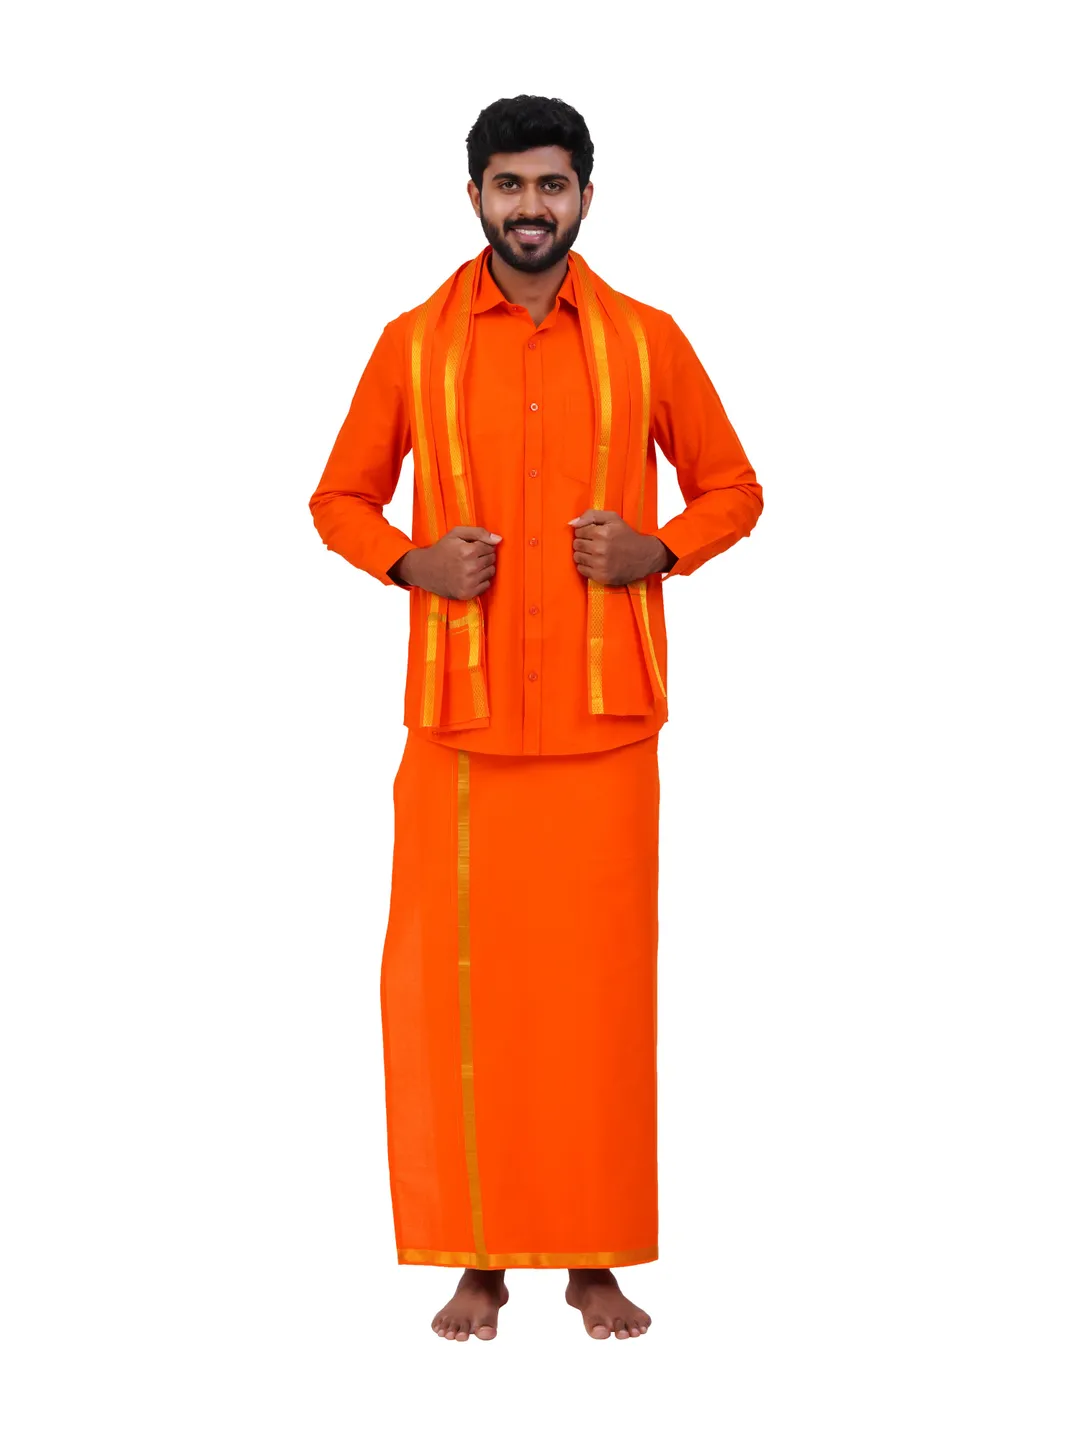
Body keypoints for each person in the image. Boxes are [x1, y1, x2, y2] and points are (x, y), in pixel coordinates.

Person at [308, 94, 763, 1343]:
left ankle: (594, 1260)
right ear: (475, 197)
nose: (530, 207)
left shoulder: (648, 341)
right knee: (454, 1000)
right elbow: (341, 498)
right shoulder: (412, 345)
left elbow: (733, 487)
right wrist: (409, 563)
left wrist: (659, 548)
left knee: (595, 1008)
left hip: (606, 726)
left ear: (585, 198)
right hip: (459, 728)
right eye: (508, 185)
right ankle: (479, 1261)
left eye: (551, 185)